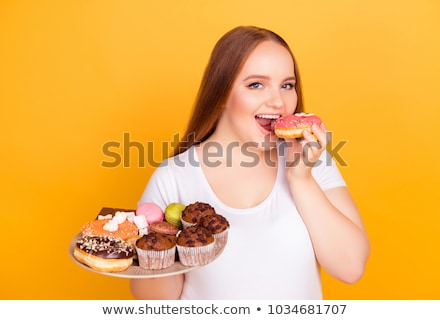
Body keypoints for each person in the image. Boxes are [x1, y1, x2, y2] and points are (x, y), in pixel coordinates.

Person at [130, 26, 370, 299]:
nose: (278, 101)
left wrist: (301, 178)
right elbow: (154, 302)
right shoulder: (173, 177)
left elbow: (350, 268)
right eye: (256, 84)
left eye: (287, 85)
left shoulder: (313, 161)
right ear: (220, 93)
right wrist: (159, 243)